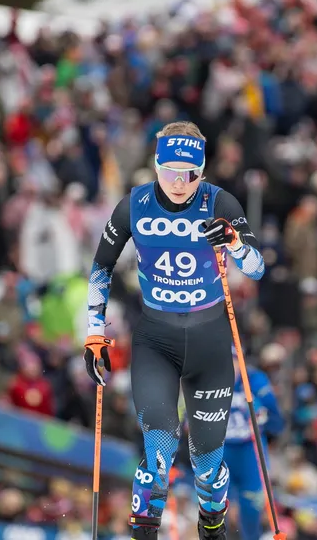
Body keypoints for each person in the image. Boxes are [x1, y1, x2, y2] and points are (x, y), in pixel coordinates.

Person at [82, 121, 266, 540]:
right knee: (158, 455)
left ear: (202, 171)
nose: (179, 184)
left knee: (207, 468)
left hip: (210, 342)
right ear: (155, 166)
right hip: (156, 340)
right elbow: (101, 268)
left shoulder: (220, 202)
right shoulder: (135, 204)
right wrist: (94, 331)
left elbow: (256, 268)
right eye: (169, 172)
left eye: (190, 174)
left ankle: (213, 527)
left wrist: (236, 242)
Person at [222, 347, 284, 540]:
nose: (230, 368)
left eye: (233, 362)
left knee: (251, 505)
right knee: (219, 506)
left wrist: (262, 411)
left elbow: (277, 420)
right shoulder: (209, 380)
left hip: (250, 449)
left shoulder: (255, 380)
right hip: (221, 449)